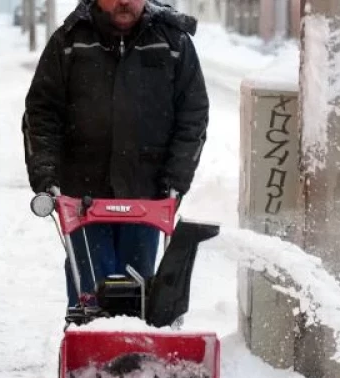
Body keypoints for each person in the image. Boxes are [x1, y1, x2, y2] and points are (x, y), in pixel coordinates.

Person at [21, 0, 209, 308]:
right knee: (92, 291)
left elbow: (193, 116)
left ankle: (136, 350)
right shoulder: (70, 41)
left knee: (139, 290)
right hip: (82, 195)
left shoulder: (172, 43)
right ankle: (88, 347)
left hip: (147, 193)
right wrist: (45, 173)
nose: (124, 1)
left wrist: (176, 178)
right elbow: (41, 113)